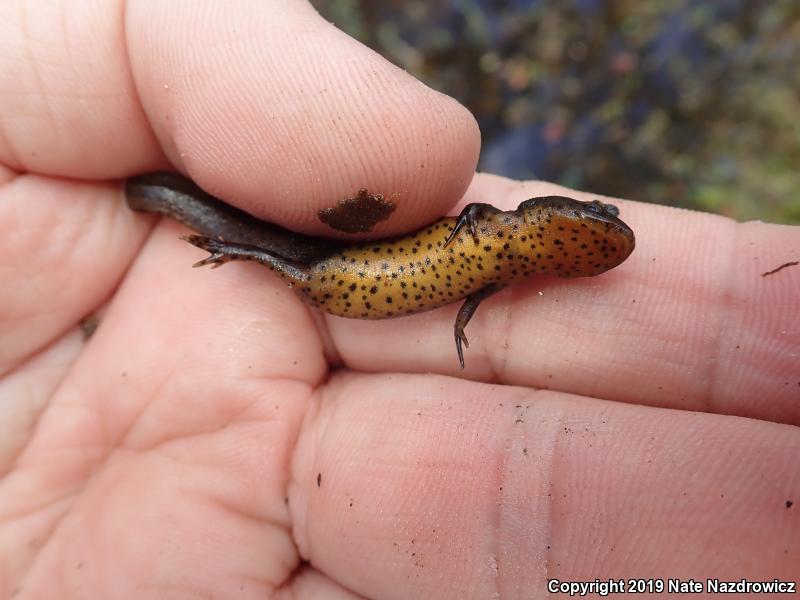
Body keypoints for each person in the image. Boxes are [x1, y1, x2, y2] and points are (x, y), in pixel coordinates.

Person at [1, 2, 797, 597]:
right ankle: (197, 220)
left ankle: (215, 231)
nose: (597, 217)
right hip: (347, 280)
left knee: (277, 254)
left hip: (343, 284)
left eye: (596, 223)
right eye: (600, 218)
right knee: (274, 247)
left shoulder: (501, 242)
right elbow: (474, 263)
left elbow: (477, 252)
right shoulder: (504, 253)